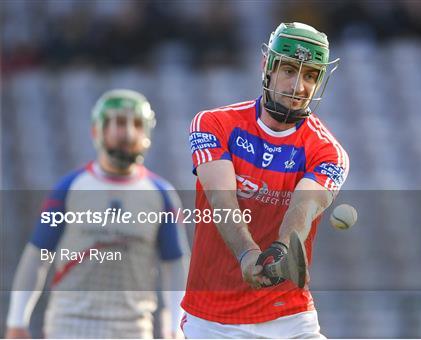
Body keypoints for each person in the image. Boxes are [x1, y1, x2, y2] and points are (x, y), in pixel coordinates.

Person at [183, 22, 349, 338]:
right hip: (211, 322)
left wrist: (282, 252)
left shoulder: (329, 152)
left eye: (311, 75)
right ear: (267, 67)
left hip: (289, 319)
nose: (298, 86)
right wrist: (247, 253)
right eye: (289, 70)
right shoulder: (213, 124)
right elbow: (221, 199)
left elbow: (302, 210)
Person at [5, 89, 190, 339]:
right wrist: (17, 322)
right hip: (68, 327)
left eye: (137, 124)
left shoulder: (162, 195)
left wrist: (174, 326)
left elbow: (175, 266)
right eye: (118, 123)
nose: (128, 134)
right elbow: (37, 257)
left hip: (133, 330)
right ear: (97, 130)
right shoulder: (69, 188)